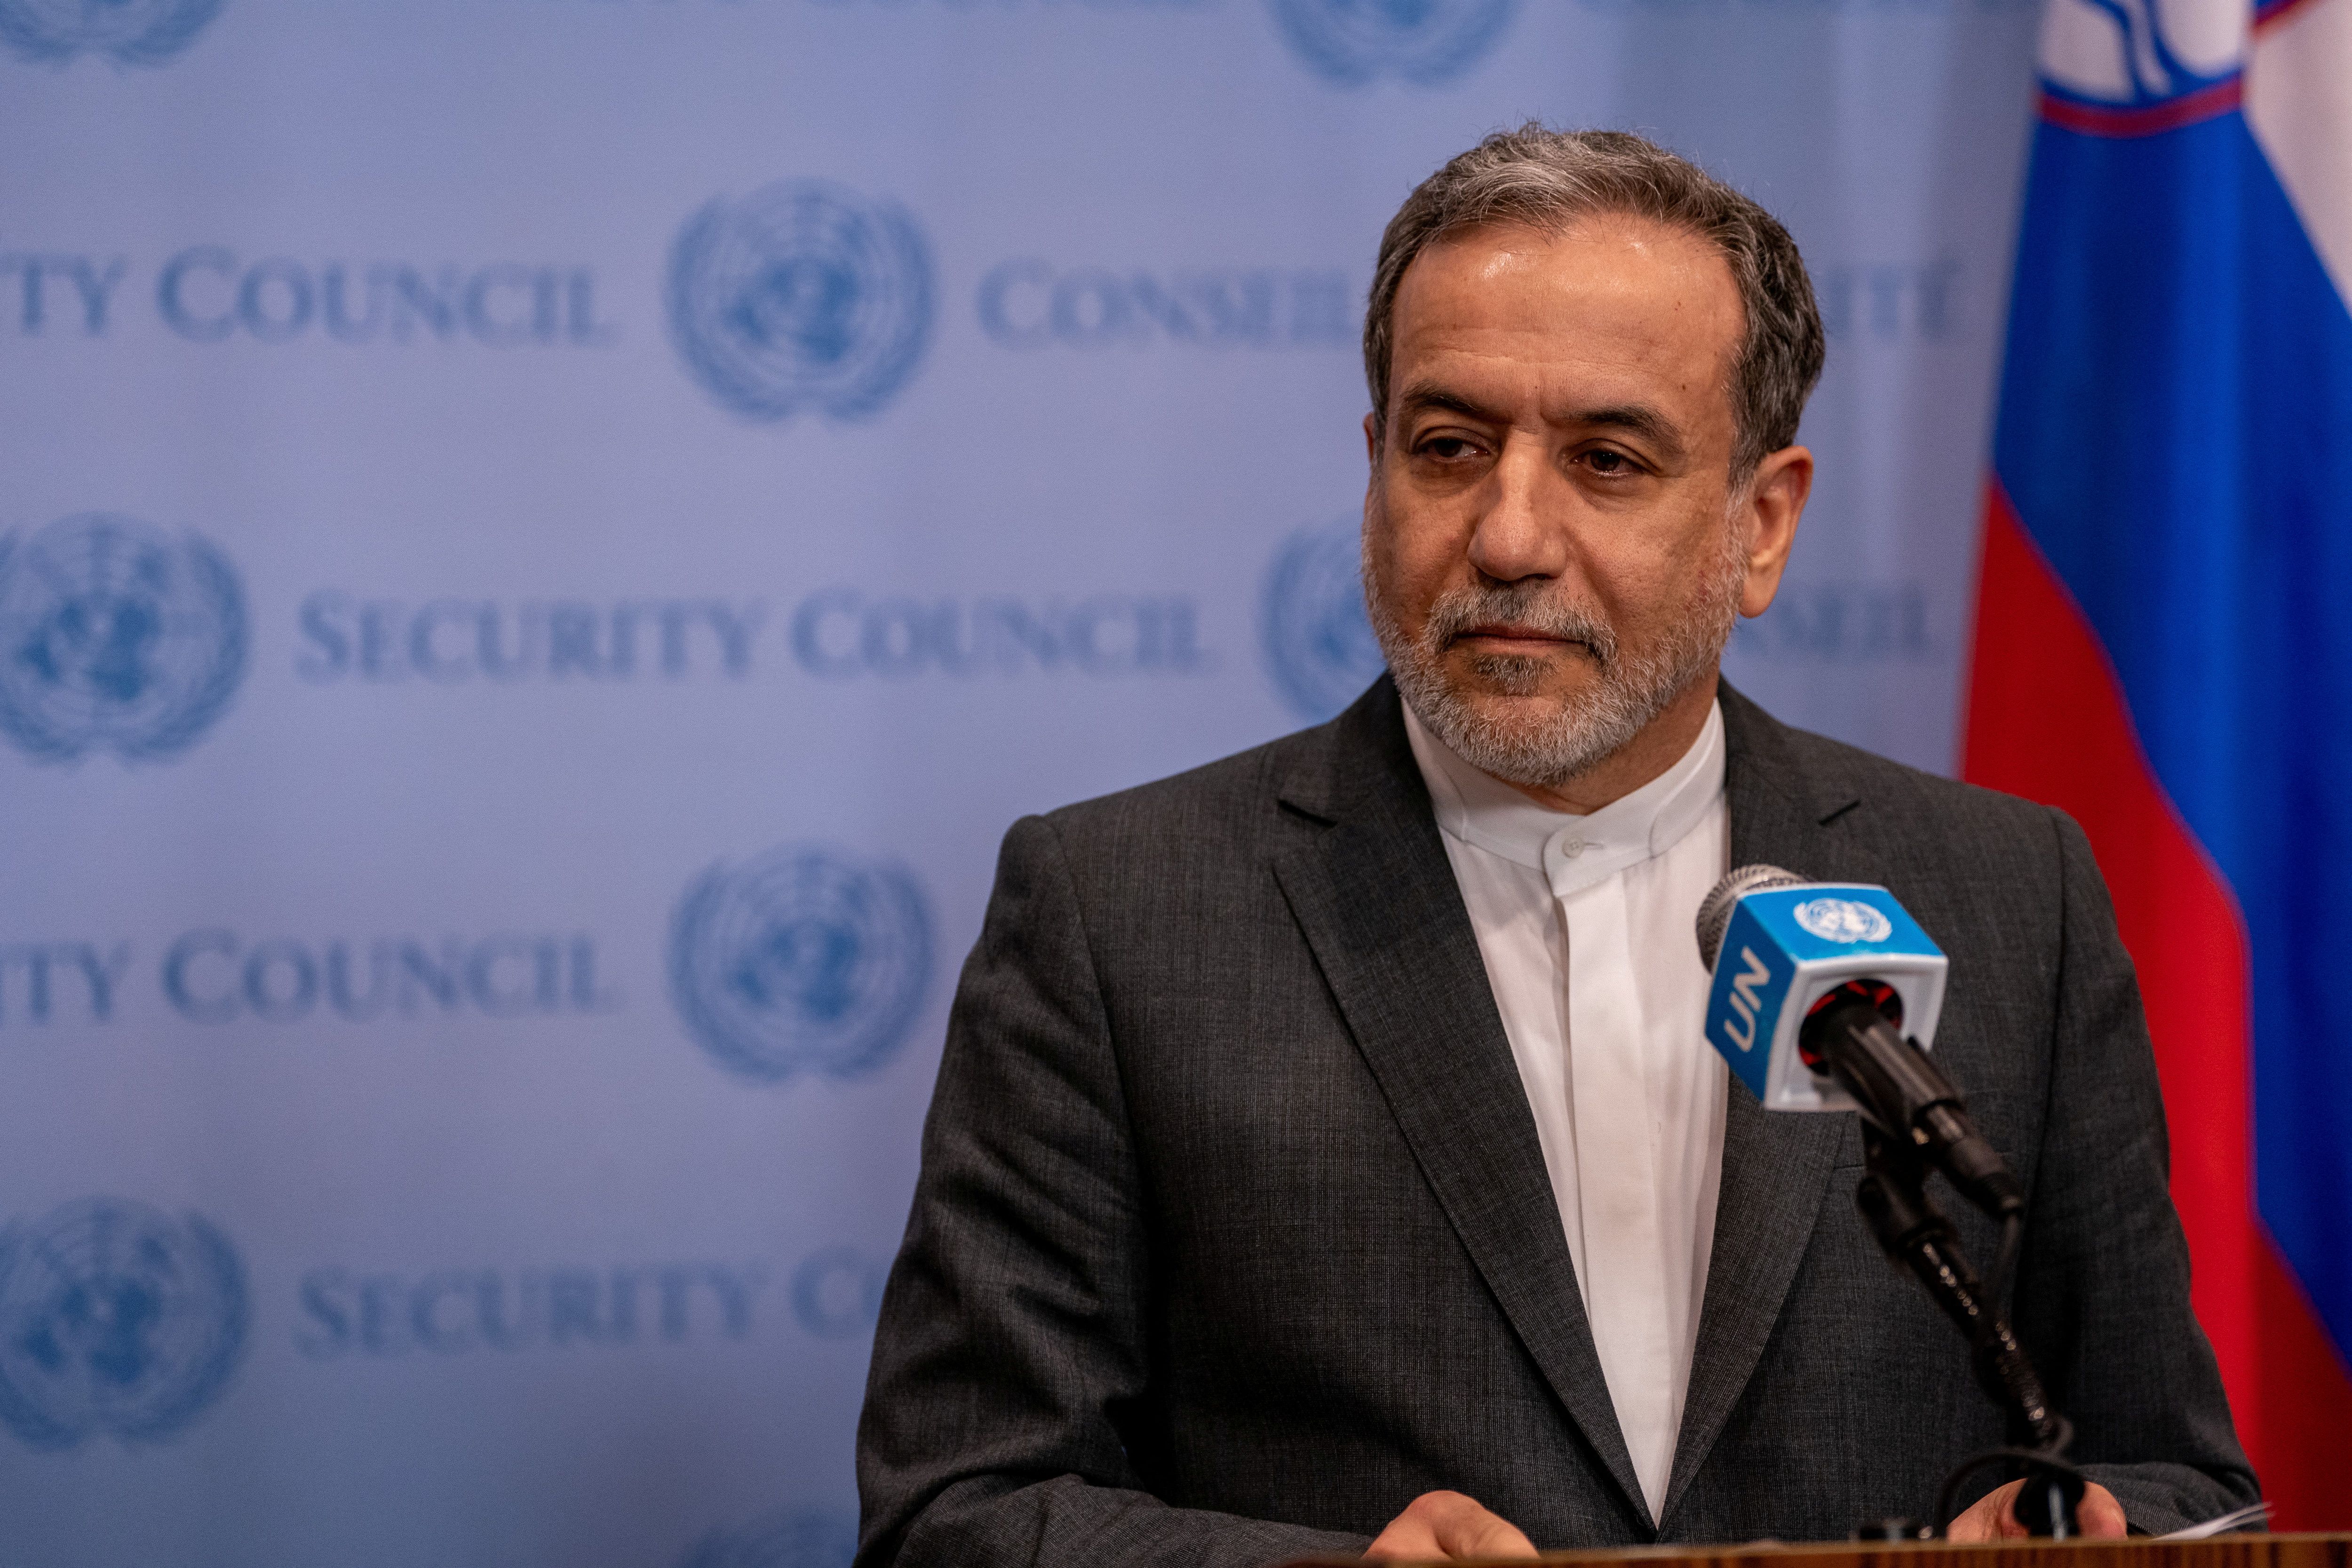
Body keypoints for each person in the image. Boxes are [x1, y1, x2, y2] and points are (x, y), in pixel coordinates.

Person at [854, 127, 2257, 1565]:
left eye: (1607, 459)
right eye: (1450, 448)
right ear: (1376, 465)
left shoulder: (2010, 894)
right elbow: (955, 1514)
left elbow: (2178, 1476)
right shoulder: (1118, 914)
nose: (1510, 534)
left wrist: (2084, 1533)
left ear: (1761, 526)